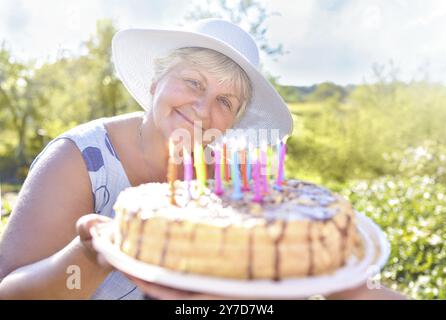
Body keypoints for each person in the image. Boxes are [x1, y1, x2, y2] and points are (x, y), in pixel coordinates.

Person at [0, 19, 405, 300]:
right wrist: (91, 253)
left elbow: (304, 283)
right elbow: (11, 292)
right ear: (157, 81)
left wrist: (336, 280)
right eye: (193, 81)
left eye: (224, 101)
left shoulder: (236, 181)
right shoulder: (79, 161)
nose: (201, 108)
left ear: (233, 121)